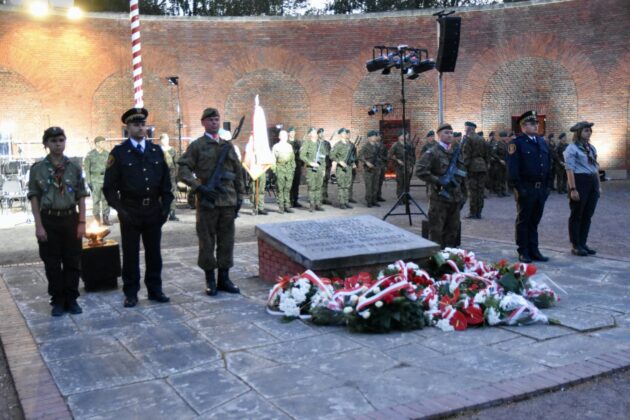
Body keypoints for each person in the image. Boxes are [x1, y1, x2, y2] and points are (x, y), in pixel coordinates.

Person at [103, 108, 173, 307]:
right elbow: (109, 188)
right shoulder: (119, 153)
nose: (140, 128)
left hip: (153, 210)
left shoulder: (156, 151)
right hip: (131, 211)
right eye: (136, 124)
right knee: (131, 254)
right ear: (128, 128)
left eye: (143, 124)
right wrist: (121, 211)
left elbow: (166, 183)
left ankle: (155, 289)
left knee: (154, 253)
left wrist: (165, 208)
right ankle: (131, 293)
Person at [178, 107, 244, 296]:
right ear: (203, 123)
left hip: (228, 202)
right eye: (210, 120)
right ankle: (210, 280)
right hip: (208, 202)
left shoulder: (227, 146)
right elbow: (182, 170)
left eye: (216, 120)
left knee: (227, 241)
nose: (214, 123)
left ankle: (224, 278)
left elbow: (237, 173)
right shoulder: (197, 146)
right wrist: (198, 187)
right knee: (206, 242)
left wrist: (240, 197)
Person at [28, 127, 88, 316]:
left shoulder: (74, 167)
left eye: (61, 140)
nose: (58, 144)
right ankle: (58, 301)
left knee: (73, 261)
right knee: (52, 263)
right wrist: (39, 225)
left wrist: (82, 222)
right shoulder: (37, 170)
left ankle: (72, 299)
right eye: (53, 141)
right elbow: (34, 197)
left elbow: (81, 196)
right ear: (46, 144)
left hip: (70, 218)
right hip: (49, 220)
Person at [506, 110, 552, 263]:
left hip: (540, 189)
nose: (536, 125)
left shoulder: (541, 142)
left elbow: (548, 165)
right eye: (533, 123)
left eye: (537, 123)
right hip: (526, 187)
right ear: (524, 126)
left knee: (535, 220)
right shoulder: (516, 143)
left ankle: (534, 249)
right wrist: (519, 188)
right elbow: (513, 169)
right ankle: (523, 250)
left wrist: (548, 187)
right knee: (524, 220)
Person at [415, 123, 466, 248]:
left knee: (453, 230)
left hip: (455, 197)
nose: (449, 135)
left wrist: (463, 194)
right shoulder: (432, 152)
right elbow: (420, 171)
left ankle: (451, 257)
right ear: (439, 135)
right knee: (436, 231)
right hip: (439, 198)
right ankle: (436, 259)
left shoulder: (456, 151)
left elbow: (462, 171)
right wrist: (438, 180)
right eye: (446, 133)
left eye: (451, 133)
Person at [564, 121, 600, 256]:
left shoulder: (591, 148)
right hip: (579, 181)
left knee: (587, 215)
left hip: (592, 183)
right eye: (586, 130)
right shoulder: (572, 149)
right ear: (578, 133)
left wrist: (598, 186)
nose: (589, 132)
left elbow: (595, 168)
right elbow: (569, 170)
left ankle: (583, 243)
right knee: (577, 214)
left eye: (590, 130)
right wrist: (573, 189)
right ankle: (576, 244)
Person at [84, 136, 111, 225]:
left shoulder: (108, 154)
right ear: (97, 143)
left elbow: (111, 168)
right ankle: (97, 220)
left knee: (106, 200)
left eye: (104, 142)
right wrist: (88, 182)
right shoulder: (90, 155)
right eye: (102, 142)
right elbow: (86, 169)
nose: (104, 144)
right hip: (95, 180)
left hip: (106, 180)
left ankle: (106, 218)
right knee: (96, 201)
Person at [462, 121, 487, 219]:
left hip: (472, 167)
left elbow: (466, 154)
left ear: (469, 128)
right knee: (480, 191)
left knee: (473, 191)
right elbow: (486, 153)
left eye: (465, 128)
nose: (465, 130)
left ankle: (473, 213)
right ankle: (479, 212)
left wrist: (465, 167)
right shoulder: (481, 139)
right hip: (482, 166)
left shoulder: (468, 139)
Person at [300, 127, 327, 212]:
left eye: (316, 132)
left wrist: (323, 169)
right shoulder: (307, 144)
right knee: (312, 187)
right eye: (314, 132)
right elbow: (302, 156)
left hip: (319, 169)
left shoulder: (320, 144)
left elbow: (323, 158)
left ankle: (318, 204)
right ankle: (312, 205)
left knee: (319, 187)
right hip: (311, 170)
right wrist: (310, 163)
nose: (316, 134)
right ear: (310, 134)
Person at [271, 129, 295, 214]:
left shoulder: (289, 146)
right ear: (279, 137)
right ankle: (281, 206)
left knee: (287, 188)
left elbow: (292, 159)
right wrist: (275, 170)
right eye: (282, 135)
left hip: (288, 169)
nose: (284, 137)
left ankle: (287, 206)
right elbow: (272, 159)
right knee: (280, 188)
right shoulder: (276, 146)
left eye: (285, 135)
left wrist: (293, 169)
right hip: (280, 168)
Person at [330, 128, 355, 209]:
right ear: (340, 134)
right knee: (341, 186)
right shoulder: (338, 145)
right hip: (341, 169)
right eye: (343, 133)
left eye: (345, 133)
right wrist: (339, 161)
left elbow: (352, 156)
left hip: (349, 168)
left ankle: (346, 202)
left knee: (347, 186)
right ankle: (342, 203)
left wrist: (353, 162)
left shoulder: (350, 145)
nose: (345, 134)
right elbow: (331, 155)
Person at [388, 130, 415, 200]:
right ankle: (400, 197)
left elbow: (412, 155)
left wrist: (412, 165)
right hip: (399, 167)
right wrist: (397, 160)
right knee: (400, 182)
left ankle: (406, 197)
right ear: (400, 136)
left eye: (406, 135)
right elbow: (389, 155)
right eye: (405, 135)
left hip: (408, 166)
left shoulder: (408, 144)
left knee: (407, 183)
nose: (407, 136)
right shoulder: (395, 145)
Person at [159, 133, 180, 221]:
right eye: (164, 139)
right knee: (160, 195)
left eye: (167, 139)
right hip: (160, 177)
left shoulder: (172, 151)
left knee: (172, 194)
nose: (166, 141)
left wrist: (177, 177)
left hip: (171, 177)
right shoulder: (157, 150)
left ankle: (172, 213)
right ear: (161, 140)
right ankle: (161, 212)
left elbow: (177, 164)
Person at [358, 130, 381, 207]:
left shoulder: (377, 146)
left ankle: (374, 200)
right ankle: (369, 201)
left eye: (375, 136)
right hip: (368, 169)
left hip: (376, 168)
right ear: (369, 138)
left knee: (375, 185)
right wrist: (366, 162)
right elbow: (360, 156)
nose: (375, 137)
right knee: (369, 185)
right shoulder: (365, 147)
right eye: (373, 136)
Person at [287, 127, 303, 208]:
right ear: (288, 133)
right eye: (291, 132)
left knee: (296, 184)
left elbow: (301, 154)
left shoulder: (298, 142)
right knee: (289, 184)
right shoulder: (286, 143)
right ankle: (289, 201)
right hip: (289, 166)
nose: (293, 133)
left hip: (297, 165)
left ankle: (295, 201)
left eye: (294, 132)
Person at [318, 128, 333, 205]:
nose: (322, 134)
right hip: (320, 166)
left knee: (326, 182)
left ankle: (325, 198)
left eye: (323, 133)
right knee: (319, 182)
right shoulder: (316, 143)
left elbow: (330, 153)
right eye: (320, 133)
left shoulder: (327, 143)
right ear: (318, 134)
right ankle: (319, 199)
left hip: (327, 165)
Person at [376, 132, 388, 202]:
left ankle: (379, 196)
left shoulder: (383, 146)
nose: (379, 137)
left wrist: (385, 165)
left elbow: (386, 156)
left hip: (382, 165)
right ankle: (373, 196)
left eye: (380, 136)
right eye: (378, 136)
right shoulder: (373, 145)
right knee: (375, 182)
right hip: (375, 166)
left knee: (380, 182)